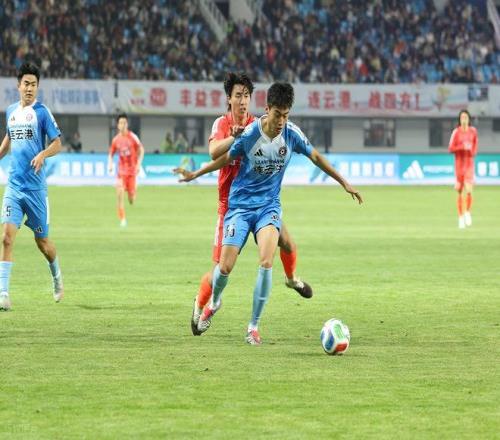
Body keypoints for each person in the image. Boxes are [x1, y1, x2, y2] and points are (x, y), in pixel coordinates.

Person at [177, 82, 363, 345]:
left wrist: (344, 182)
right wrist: (195, 174)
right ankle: (214, 302)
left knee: (266, 261)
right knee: (224, 267)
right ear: (267, 110)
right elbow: (225, 158)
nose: (281, 122)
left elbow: (316, 157)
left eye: (286, 115)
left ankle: (253, 327)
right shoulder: (251, 133)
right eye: (277, 115)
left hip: (268, 208)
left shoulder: (291, 133)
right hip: (240, 207)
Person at [177, 72, 313, 337]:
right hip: (231, 206)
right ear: (228, 99)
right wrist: (235, 137)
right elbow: (214, 152)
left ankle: (291, 280)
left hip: (262, 203)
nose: (242, 101)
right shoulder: (222, 123)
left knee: (288, 243)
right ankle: (204, 303)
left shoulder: (258, 124)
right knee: (221, 268)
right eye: (237, 96)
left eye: (246, 96)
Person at [0, 62, 64, 311]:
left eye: (34, 84)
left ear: (38, 87)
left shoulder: (42, 112)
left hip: (36, 190)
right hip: (14, 188)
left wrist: (43, 154)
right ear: (18, 85)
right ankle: (3, 294)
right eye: (26, 83)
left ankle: (56, 276)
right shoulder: (11, 111)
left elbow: (57, 143)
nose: (29, 88)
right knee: (6, 238)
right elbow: (8, 140)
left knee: (43, 243)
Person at [107, 113, 144, 227]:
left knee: (131, 199)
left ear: (127, 124)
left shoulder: (133, 137)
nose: (122, 125)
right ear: (118, 125)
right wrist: (110, 164)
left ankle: (133, 192)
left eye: (124, 123)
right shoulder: (116, 140)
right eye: (120, 123)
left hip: (132, 172)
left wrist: (138, 164)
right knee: (119, 192)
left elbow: (141, 150)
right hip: (121, 172)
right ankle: (122, 219)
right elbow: (111, 154)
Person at [448, 109, 478, 229]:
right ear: (459, 120)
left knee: (469, 188)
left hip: (469, 164)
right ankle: (460, 217)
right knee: (460, 191)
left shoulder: (473, 131)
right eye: (462, 118)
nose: (464, 119)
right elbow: (450, 148)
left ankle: (467, 212)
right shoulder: (456, 132)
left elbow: (475, 146)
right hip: (459, 165)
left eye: (466, 117)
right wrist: (462, 147)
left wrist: (471, 151)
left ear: (469, 119)